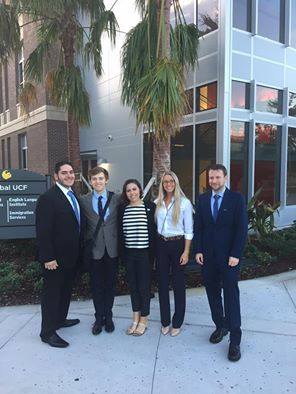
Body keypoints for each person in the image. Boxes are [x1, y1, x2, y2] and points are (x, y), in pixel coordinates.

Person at [194, 164, 248, 362]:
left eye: (217, 177)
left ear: (225, 177)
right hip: (208, 258)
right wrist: (198, 250)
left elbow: (242, 229)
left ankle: (235, 340)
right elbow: (198, 227)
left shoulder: (236, 199)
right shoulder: (202, 199)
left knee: (231, 296)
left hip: (229, 259)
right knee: (212, 293)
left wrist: (236, 254)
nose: (213, 181)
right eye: (211, 178)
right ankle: (220, 326)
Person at [36, 161, 82, 348]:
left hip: (71, 258)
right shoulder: (48, 198)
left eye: (71, 172)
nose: (69, 175)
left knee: (65, 292)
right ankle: (47, 332)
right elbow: (43, 231)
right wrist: (47, 257)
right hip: (54, 260)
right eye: (64, 173)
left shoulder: (72, 195)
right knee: (52, 295)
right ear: (56, 176)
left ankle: (60, 320)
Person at [79, 166, 120, 335]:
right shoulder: (84, 200)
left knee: (110, 285)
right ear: (90, 181)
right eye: (94, 179)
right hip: (94, 251)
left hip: (112, 250)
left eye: (101, 178)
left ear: (106, 180)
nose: (98, 181)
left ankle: (108, 316)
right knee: (96, 286)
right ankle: (98, 318)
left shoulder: (117, 199)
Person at [155, 171, 193, 337]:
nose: (168, 184)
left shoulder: (184, 203)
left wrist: (186, 251)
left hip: (178, 245)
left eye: (171, 181)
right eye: (165, 182)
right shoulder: (157, 202)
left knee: (178, 285)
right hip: (161, 245)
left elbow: (189, 230)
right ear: (162, 184)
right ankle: (165, 321)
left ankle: (177, 322)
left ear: (176, 183)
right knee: (162, 284)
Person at [118, 179, 156, 336]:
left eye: (134, 189)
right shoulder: (122, 209)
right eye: (128, 190)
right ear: (125, 193)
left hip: (144, 254)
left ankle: (144, 320)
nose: (132, 193)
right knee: (133, 286)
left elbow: (156, 231)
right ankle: (135, 318)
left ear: (140, 190)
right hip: (129, 253)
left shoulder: (149, 207)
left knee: (144, 287)